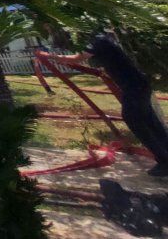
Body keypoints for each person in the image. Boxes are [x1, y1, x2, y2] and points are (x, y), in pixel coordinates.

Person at [70, 32, 168, 178]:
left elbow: (78, 58)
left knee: (135, 120)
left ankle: (164, 162)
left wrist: (48, 56)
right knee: (149, 120)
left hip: (134, 87)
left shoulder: (98, 41)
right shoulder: (106, 38)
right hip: (139, 84)